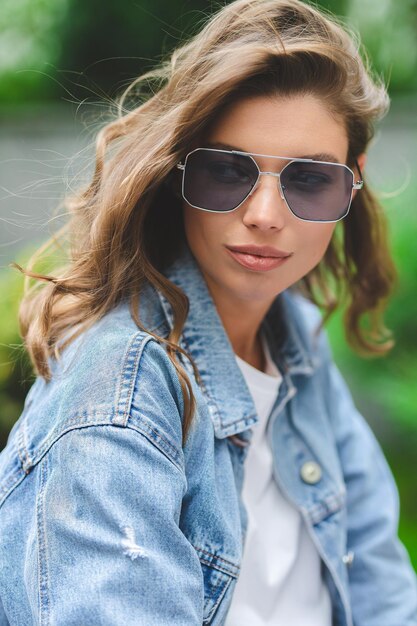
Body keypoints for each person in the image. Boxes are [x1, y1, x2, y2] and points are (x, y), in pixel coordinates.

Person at [0, 0, 416, 624]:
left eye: (309, 179)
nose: (266, 215)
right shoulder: (119, 395)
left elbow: (383, 587)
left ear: (352, 184)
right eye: (227, 172)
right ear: (174, 172)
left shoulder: (295, 337)